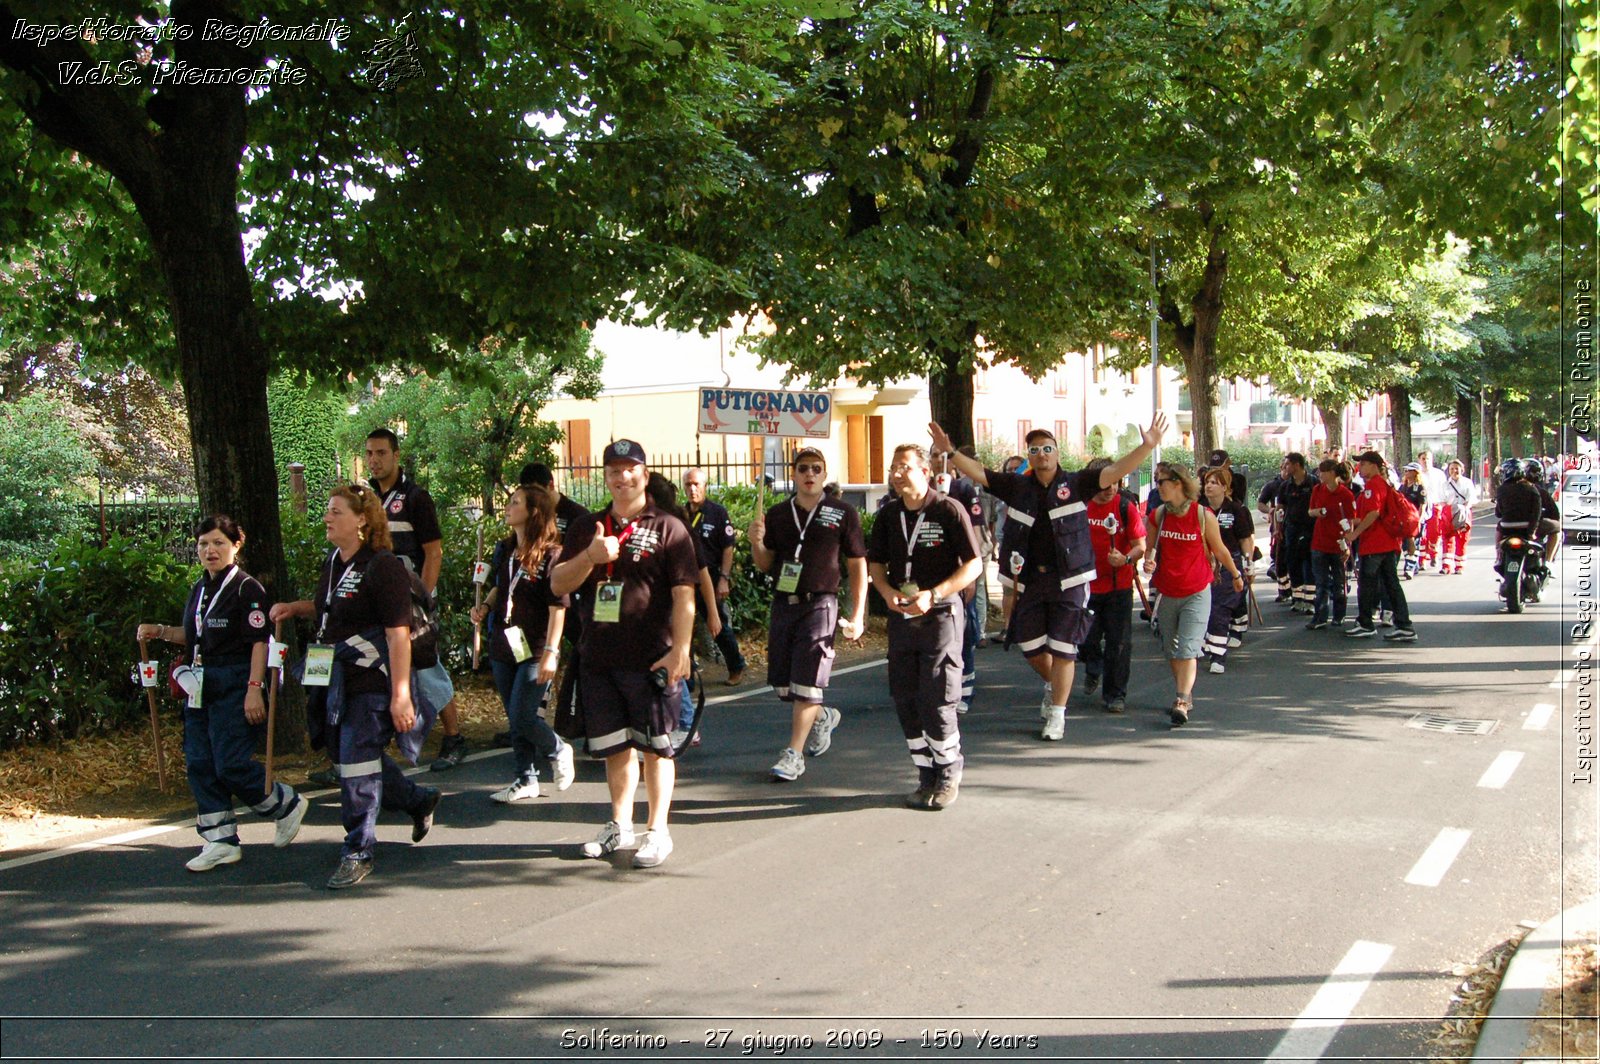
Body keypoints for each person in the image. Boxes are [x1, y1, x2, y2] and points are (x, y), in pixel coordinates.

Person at [931, 414, 1169, 742]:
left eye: (1047, 448)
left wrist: (1147, 446)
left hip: (1070, 579)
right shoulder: (1017, 486)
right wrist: (951, 451)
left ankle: (1057, 713)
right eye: (1034, 450)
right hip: (1030, 580)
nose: (1041, 454)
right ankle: (1054, 684)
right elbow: (980, 474)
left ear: (1057, 453)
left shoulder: (1077, 483)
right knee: (1029, 646)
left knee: (1063, 647)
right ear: (1028, 456)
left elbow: (1116, 472)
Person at [270, 484, 442, 890]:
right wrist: (297, 608)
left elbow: (398, 633)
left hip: (372, 682)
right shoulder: (334, 560)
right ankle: (418, 800)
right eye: (327, 511)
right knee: (348, 756)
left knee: (356, 760)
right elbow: (334, 609)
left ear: (362, 519)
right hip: (335, 679)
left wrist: (401, 694)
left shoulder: (384, 566)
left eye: (335, 512)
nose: (327, 517)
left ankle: (357, 850)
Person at [551, 440, 698, 868]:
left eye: (630, 469)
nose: (622, 477)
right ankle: (620, 825)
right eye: (614, 470)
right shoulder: (587, 527)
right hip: (599, 657)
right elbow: (559, 583)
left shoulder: (669, 527)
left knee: (657, 748)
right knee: (615, 748)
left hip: (651, 658)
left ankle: (658, 831)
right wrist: (591, 558)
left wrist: (682, 652)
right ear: (606, 477)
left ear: (645, 475)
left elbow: (684, 594)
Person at [137, 516, 307, 872]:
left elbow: (259, 643)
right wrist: (161, 631)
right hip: (200, 683)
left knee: (229, 762)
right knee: (199, 760)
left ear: (235, 546)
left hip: (236, 679)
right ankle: (220, 840)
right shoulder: (199, 589)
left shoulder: (247, 589)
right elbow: (195, 634)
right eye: (203, 544)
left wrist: (254, 689)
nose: (209, 551)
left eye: (217, 543)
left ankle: (283, 805)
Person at [867, 443, 983, 809]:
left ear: (925, 471)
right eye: (893, 467)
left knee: (937, 698)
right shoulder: (888, 514)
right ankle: (925, 773)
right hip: (903, 617)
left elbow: (973, 565)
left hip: (941, 616)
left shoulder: (949, 510)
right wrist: (885, 592)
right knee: (906, 698)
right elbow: (876, 564)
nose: (897, 473)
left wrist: (934, 594)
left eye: (905, 467)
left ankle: (948, 771)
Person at [749, 447, 868, 781]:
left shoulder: (842, 512)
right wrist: (756, 542)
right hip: (784, 603)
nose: (810, 474)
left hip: (821, 603)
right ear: (794, 473)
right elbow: (766, 562)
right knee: (784, 687)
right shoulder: (776, 513)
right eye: (803, 468)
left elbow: (857, 564)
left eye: (816, 468)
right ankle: (823, 716)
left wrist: (857, 614)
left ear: (824, 474)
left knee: (808, 683)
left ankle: (794, 754)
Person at [360, 429, 469, 773]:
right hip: (378, 601)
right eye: (369, 454)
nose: (374, 460)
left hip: (411, 602)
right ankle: (367, 746)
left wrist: (424, 598)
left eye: (381, 453)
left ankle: (454, 737)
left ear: (396, 455)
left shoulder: (416, 498)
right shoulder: (366, 500)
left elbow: (433, 553)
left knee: (426, 668)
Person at [469, 484, 575, 803]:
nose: (508, 507)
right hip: (507, 644)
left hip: (536, 647)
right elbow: (503, 588)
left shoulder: (552, 554)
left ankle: (558, 749)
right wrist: (485, 607)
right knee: (514, 716)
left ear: (533, 512)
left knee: (523, 714)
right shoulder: (508, 550)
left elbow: (559, 607)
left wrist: (552, 654)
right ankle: (525, 778)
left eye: (515, 503)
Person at [1142, 465, 1244, 725]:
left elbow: (1219, 549)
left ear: (1178, 483)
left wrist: (1236, 574)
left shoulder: (1202, 515)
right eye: (1156, 481)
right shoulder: (1158, 515)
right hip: (1167, 590)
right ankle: (1185, 693)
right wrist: (1148, 563)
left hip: (1197, 591)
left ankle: (1181, 698)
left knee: (1187, 648)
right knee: (1171, 649)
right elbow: (1150, 550)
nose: (1158, 487)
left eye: (1162, 481)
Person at [644, 473, 722, 746]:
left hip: (674, 610)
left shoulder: (678, 529)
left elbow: (703, 574)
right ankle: (676, 722)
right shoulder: (644, 526)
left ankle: (686, 724)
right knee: (667, 664)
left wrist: (712, 612)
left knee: (673, 662)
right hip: (652, 613)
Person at [1079, 459, 1147, 713]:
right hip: (1086, 586)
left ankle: (1115, 694)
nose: (1110, 489)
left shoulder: (1125, 506)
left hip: (1118, 586)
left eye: (1115, 483)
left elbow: (1140, 545)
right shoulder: (1080, 506)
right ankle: (1092, 665)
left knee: (1119, 643)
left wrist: (1126, 558)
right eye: (1104, 484)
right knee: (1086, 638)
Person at [682, 468, 749, 685]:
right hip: (685, 579)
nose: (692, 489)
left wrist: (723, 578)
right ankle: (688, 677)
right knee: (684, 629)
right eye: (688, 485)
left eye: (696, 484)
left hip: (710, 577)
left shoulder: (717, 512)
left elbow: (727, 548)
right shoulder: (681, 513)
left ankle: (736, 665)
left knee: (717, 625)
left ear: (704, 486)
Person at [1342, 451, 1416, 641]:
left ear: (1375, 465)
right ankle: (1404, 625)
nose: (1360, 468)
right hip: (1388, 543)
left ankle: (1366, 623)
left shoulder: (1373, 486)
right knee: (1391, 585)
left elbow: (1373, 513)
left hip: (1376, 544)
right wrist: (1353, 523)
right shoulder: (1381, 485)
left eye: (1364, 464)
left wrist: (1354, 533)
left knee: (1367, 584)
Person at [933, 450, 987, 712]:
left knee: (964, 628)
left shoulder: (964, 490)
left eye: (942, 455)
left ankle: (964, 688)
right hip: (932, 572)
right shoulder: (923, 491)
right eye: (932, 455)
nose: (937, 460)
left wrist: (971, 573)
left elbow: (975, 530)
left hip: (960, 569)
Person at [1199, 466, 1255, 674]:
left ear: (1225, 487)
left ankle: (1218, 656)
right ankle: (1209, 643)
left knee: (1219, 609)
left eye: (1214, 482)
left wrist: (1248, 563)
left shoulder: (1236, 510)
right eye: (1207, 482)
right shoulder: (1199, 510)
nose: (1209, 486)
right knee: (1206, 608)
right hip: (1204, 564)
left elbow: (1245, 538)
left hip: (1229, 563)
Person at [1306, 458, 1356, 629]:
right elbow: (1310, 511)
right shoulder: (1317, 490)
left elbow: (1350, 520)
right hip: (1319, 542)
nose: (1320, 475)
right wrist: (1317, 512)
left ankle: (1339, 614)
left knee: (1338, 582)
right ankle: (1320, 616)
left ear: (1333, 473)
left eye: (1323, 472)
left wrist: (1347, 545)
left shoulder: (1346, 494)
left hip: (1338, 543)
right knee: (1321, 583)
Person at [1277, 453, 1316, 611]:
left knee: (1309, 563)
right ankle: (1297, 597)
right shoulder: (1285, 486)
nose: (1285, 468)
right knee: (1292, 562)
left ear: (1297, 465)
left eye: (1287, 464)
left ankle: (1311, 601)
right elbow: (1280, 508)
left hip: (1310, 529)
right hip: (1291, 529)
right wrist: (1278, 528)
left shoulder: (1313, 483)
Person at [993, 454, 1026, 629]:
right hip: (1006, 544)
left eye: (1017, 469)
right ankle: (1007, 627)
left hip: (1027, 545)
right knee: (1008, 587)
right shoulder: (1001, 492)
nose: (1013, 473)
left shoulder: (1029, 491)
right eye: (1010, 470)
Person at [1438, 459, 1479, 574]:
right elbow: (1441, 499)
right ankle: (1446, 565)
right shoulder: (1445, 484)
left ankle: (1459, 566)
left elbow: (1471, 499)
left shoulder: (1467, 483)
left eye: (1457, 468)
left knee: (1462, 539)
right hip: (1448, 513)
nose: (1454, 471)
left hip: (1464, 513)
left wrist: (1464, 508)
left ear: (1462, 469)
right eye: (1451, 469)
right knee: (1447, 539)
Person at [1416, 451, 1450, 570]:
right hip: (1421, 506)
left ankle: (1434, 554)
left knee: (1434, 533)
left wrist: (1443, 503)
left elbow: (1444, 490)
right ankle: (1422, 560)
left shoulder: (1439, 474)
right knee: (1421, 534)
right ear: (1419, 460)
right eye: (1423, 458)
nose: (1426, 461)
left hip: (1435, 506)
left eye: (1428, 459)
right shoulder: (1417, 474)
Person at [1397, 464, 1429, 579]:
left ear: (1415, 473)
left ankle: (1409, 568)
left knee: (1414, 543)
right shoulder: (1403, 487)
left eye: (1409, 470)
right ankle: (1412, 566)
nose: (1406, 472)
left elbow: (1422, 506)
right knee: (1405, 545)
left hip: (1415, 520)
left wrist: (1419, 521)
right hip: (1404, 521)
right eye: (1405, 470)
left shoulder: (1420, 488)